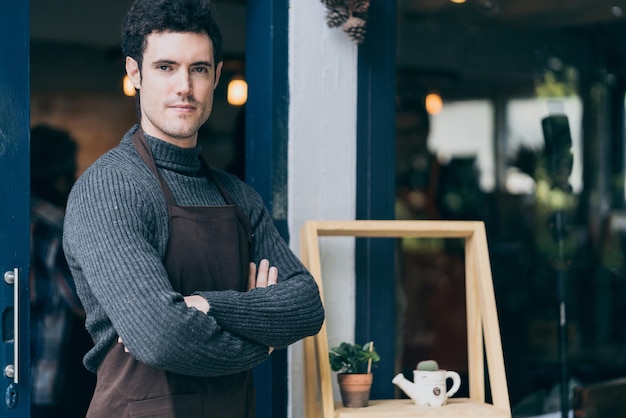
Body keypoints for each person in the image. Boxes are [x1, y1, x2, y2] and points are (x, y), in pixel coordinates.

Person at [62, 1, 325, 417]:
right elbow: (161, 338)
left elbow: (306, 305)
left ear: (217, 76)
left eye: (199, 69)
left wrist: (206, 306)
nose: (184, 86)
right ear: (135, 73)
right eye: (166, 67)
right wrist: (265, 340)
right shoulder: (109, 189)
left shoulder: (238, 197)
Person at [29, 125, 95, 418]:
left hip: (14, 371)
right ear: (60, 178)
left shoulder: (12, 220)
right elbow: (85, 302)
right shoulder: (57, 228)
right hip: (44, 374)